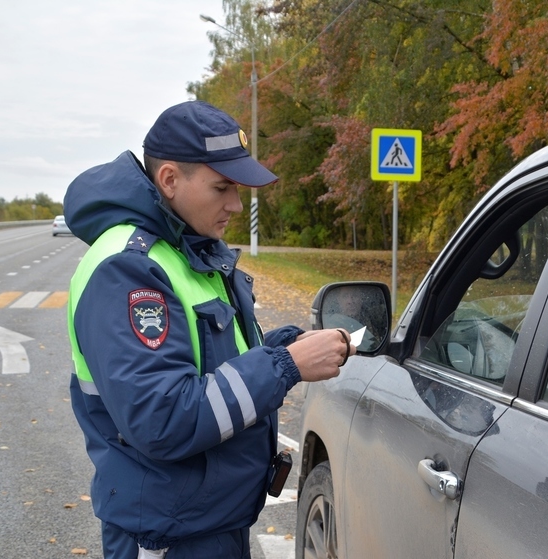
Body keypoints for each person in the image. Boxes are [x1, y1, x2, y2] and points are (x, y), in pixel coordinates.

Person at [64, 100, 355, 558]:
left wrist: (280, 346)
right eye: (221, 188)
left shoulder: (189, 250)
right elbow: (161, 418)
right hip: (166, 538)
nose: (236, 205)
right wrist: (285, 365)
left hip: (206, 524)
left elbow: (212, 363)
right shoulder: (129, 267)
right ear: (170, 180)